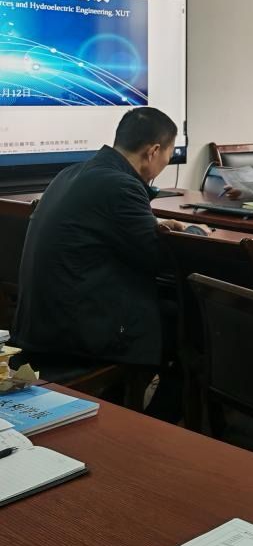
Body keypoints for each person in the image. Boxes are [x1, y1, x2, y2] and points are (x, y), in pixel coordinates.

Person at [13, 108, 203, 419]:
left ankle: (129, 406)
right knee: (192, 326)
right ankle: (156, 424)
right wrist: (196, 232)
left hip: (41, 322)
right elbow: (161, 259)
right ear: (154, 151)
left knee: (172, 313)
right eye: (168, 156)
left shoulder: (72, 173)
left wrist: (152, 225)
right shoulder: (120, 185)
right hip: (75, 333)